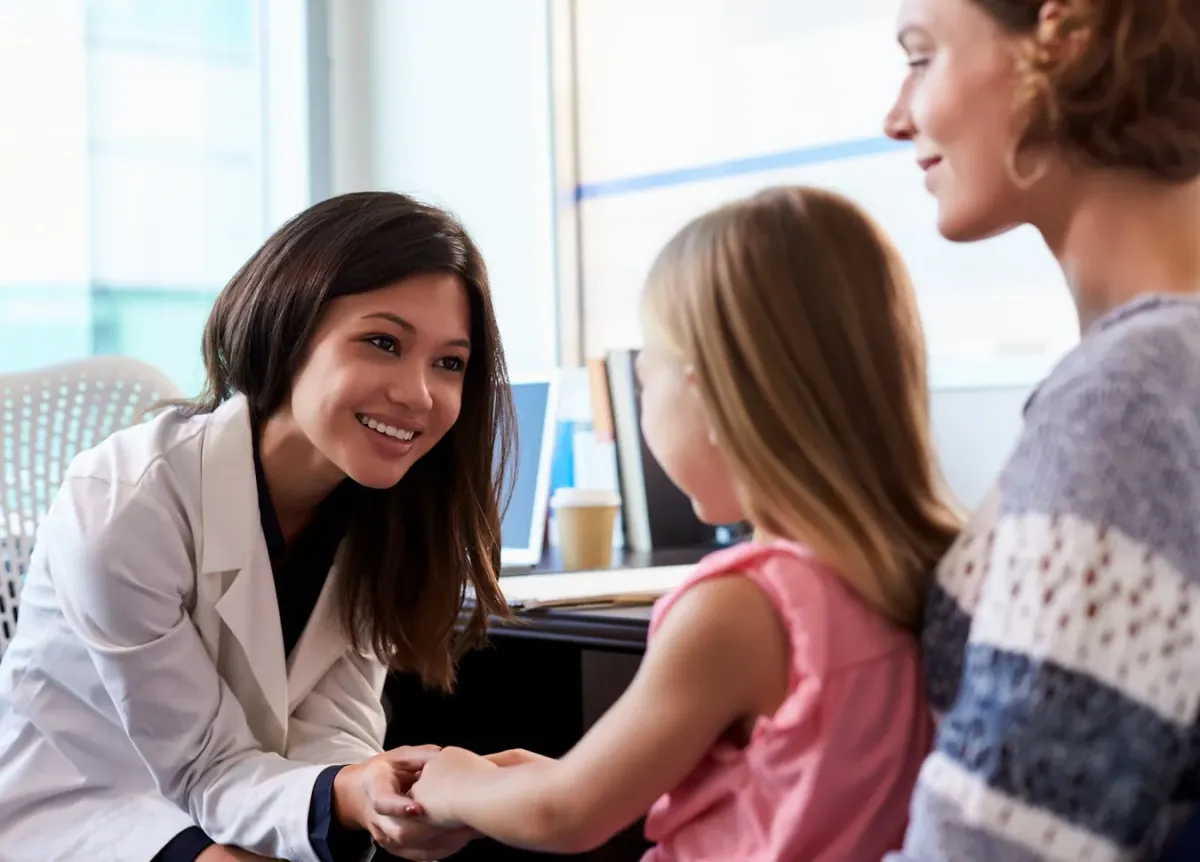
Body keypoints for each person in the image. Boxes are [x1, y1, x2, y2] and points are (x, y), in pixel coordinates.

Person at [403, 186, 963, 860]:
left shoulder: (741, 606)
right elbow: (779, 784)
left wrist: (453, 779)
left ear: (707, 393)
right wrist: (556, 775)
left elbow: (565, 814)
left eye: (645, 378)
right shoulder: (930, 565)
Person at [0, 191, 516, 862]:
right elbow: (203, 766)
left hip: (237, 792)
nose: (418, 394)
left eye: (449, 362)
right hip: (81, 806)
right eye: (382, 342)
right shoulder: (127, 503)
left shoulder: (382, 513)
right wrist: (352, 794)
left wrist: (378, 790)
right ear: (289, 329)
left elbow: (335, 729)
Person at [882, 0, 1200, 859]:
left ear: (1065, 42)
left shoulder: (1132, 398)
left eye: (920, 57)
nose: (895, 117)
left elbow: (992, 846)